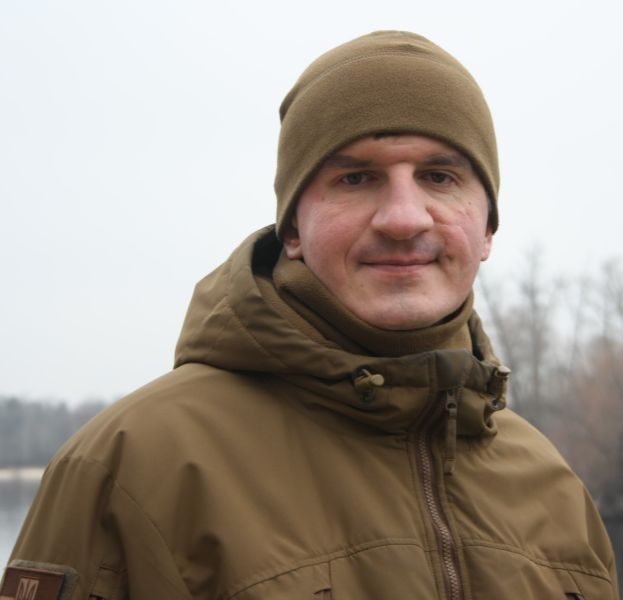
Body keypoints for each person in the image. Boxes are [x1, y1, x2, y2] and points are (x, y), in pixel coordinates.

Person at [1, 31, 618, 600]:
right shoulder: (130, 467)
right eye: (356, 178)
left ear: (486, 229)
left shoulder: (553, 488)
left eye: (439, 176)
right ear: (293, 228)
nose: (403, 218)